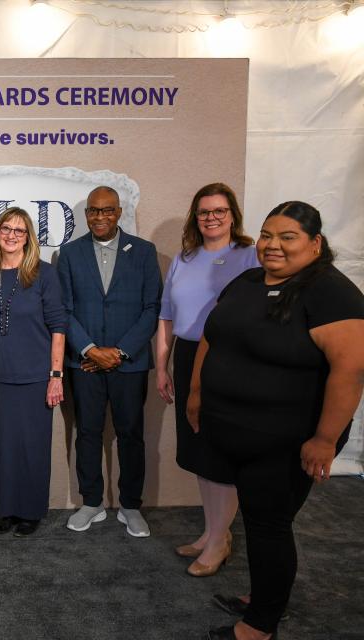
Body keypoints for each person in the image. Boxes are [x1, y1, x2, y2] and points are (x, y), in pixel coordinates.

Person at [188, 202, 364, 640]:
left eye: (288, 237)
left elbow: (352, 370)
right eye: (267, 235)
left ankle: (259, 625)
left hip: (285, 438)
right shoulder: (246, 281)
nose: (273, 245)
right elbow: (213, 336)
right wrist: (196, 391)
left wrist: (325, 439)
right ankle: (267, 596)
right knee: (259, 522)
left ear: (315, 243)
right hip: (234, 427)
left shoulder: (331, 292)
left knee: (269, 526)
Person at [155, 183, 259, 577]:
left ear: (232, 214)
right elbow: (166, 316)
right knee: (199, 450)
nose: (211, 217)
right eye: (203, 212)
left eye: (218, 210)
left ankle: (219, 541)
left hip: (228, 362)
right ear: (194, 217)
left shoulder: (250, 257)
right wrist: (162, 366)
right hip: (186, 357)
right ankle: (211, 531)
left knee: (219, 452)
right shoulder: (185, 257)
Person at [57, 186, 162, 537]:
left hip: (128, 364)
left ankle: (131, 505)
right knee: (87, 432)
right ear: (86, 213)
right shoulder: (69, 254)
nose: (99, 217)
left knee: (130, 433)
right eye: (93, 211)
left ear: (119, 212)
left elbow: (152, 309)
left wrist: (118, 352)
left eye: (107, 211)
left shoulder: (144, 252)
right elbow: (65, 310)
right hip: (84, 363)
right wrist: (89, 349)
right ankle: (92, 502)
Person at [0, 208, 67, 536]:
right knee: (3, 448)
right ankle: (7, 511)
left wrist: (55, 376)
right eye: (6, 229)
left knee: (32, 447)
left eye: (19, 231)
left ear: (29, 237)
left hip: (36, 377)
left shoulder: (43, 274)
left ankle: (31, 512)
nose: (11, 235)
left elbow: (58, 326)